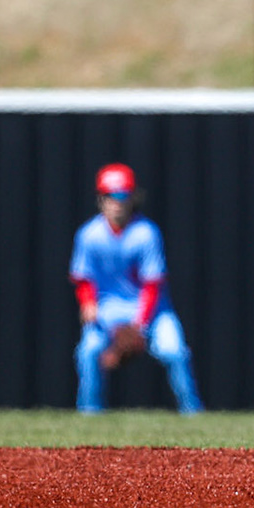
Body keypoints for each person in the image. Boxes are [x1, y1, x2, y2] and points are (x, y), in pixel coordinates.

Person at [70, 163, 204, 415]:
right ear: (101, 199)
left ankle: (193, 412)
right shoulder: (89, 235)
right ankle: (88, 415)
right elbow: (83, 279)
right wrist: (87, 303)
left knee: (175, 351)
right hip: (107, 309)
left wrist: (138, 327)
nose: (117, 202)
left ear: (133, 198)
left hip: (150, 311)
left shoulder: (146, 233)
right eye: (111, 196)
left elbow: (153, 285)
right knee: (87, 352)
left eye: (123, 195)